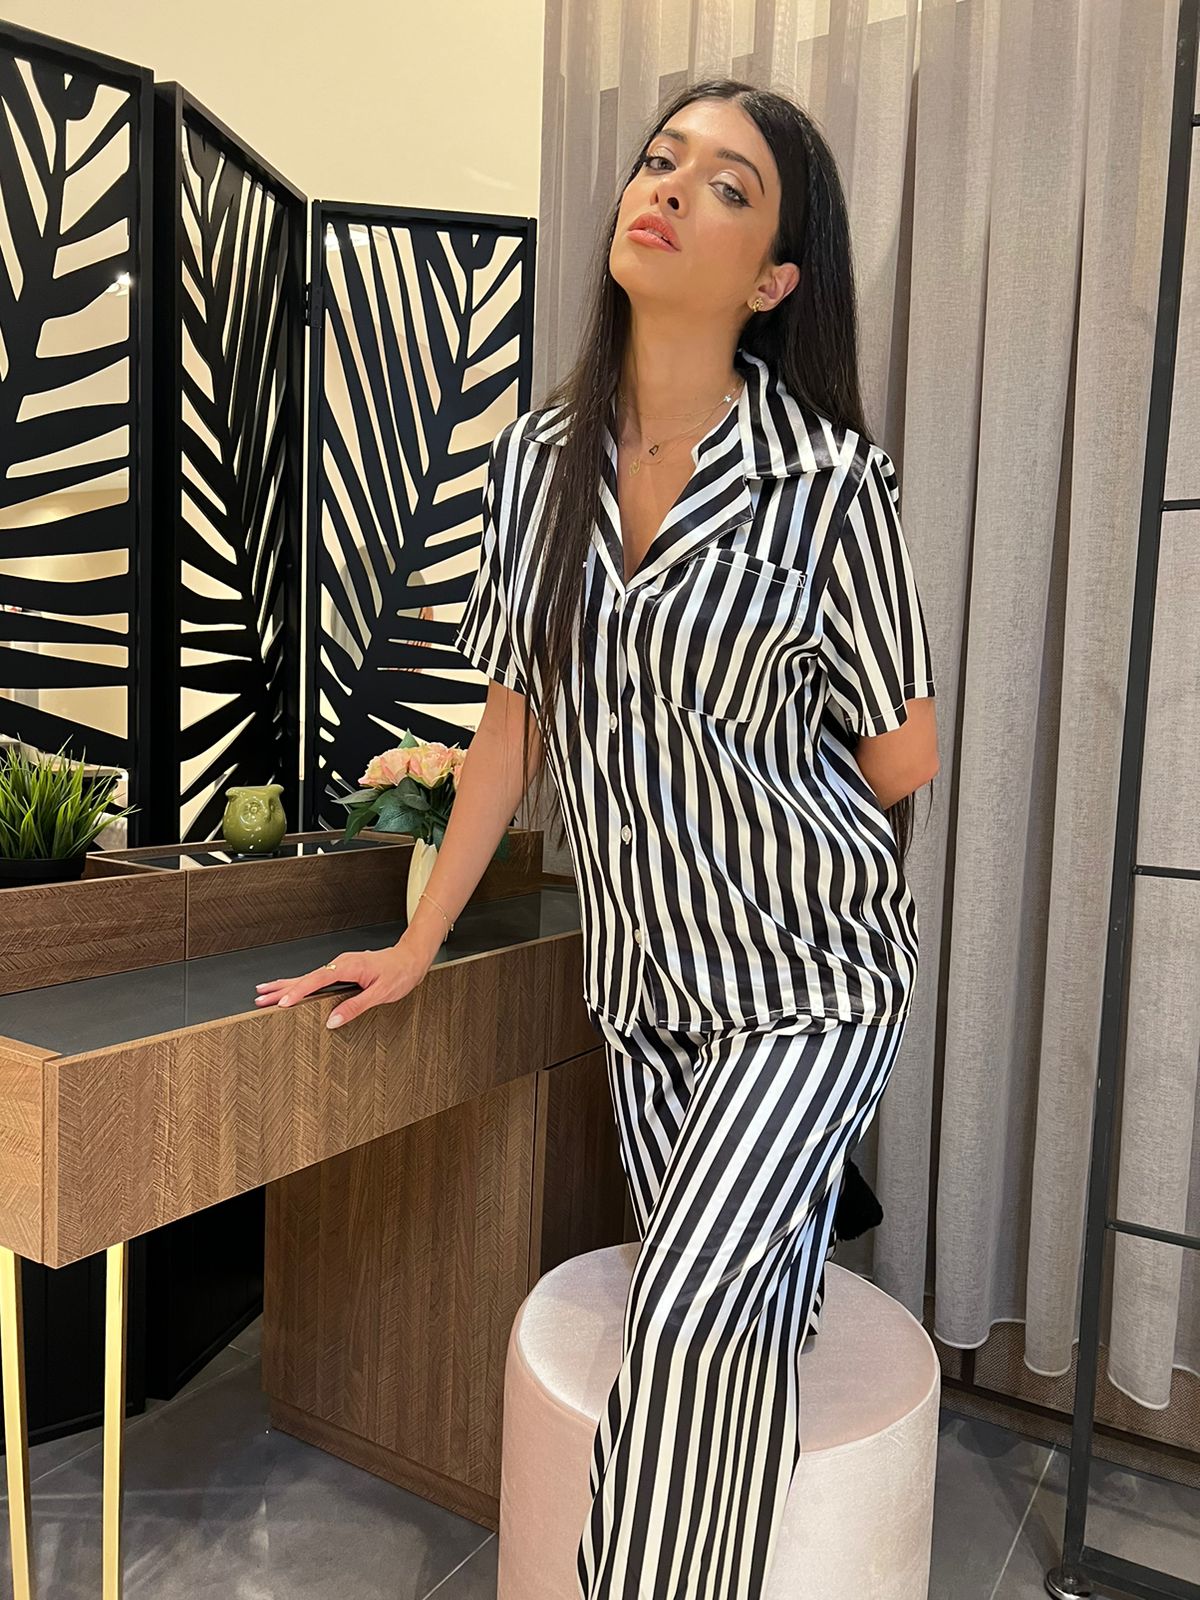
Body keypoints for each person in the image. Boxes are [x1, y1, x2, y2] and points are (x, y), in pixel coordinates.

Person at [255, 76, 938, 1600]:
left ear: (773, 282)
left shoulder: (832, 485)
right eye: (660, 159)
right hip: (644, 993)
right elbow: (513, 732)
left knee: (691, 1318)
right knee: (723, 1309)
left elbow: (905, 756)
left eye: (729, 184)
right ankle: (790, 1227)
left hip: (809, 978)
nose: (672, 187)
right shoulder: (536, 460)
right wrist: (420, 942)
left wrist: (760, 817)